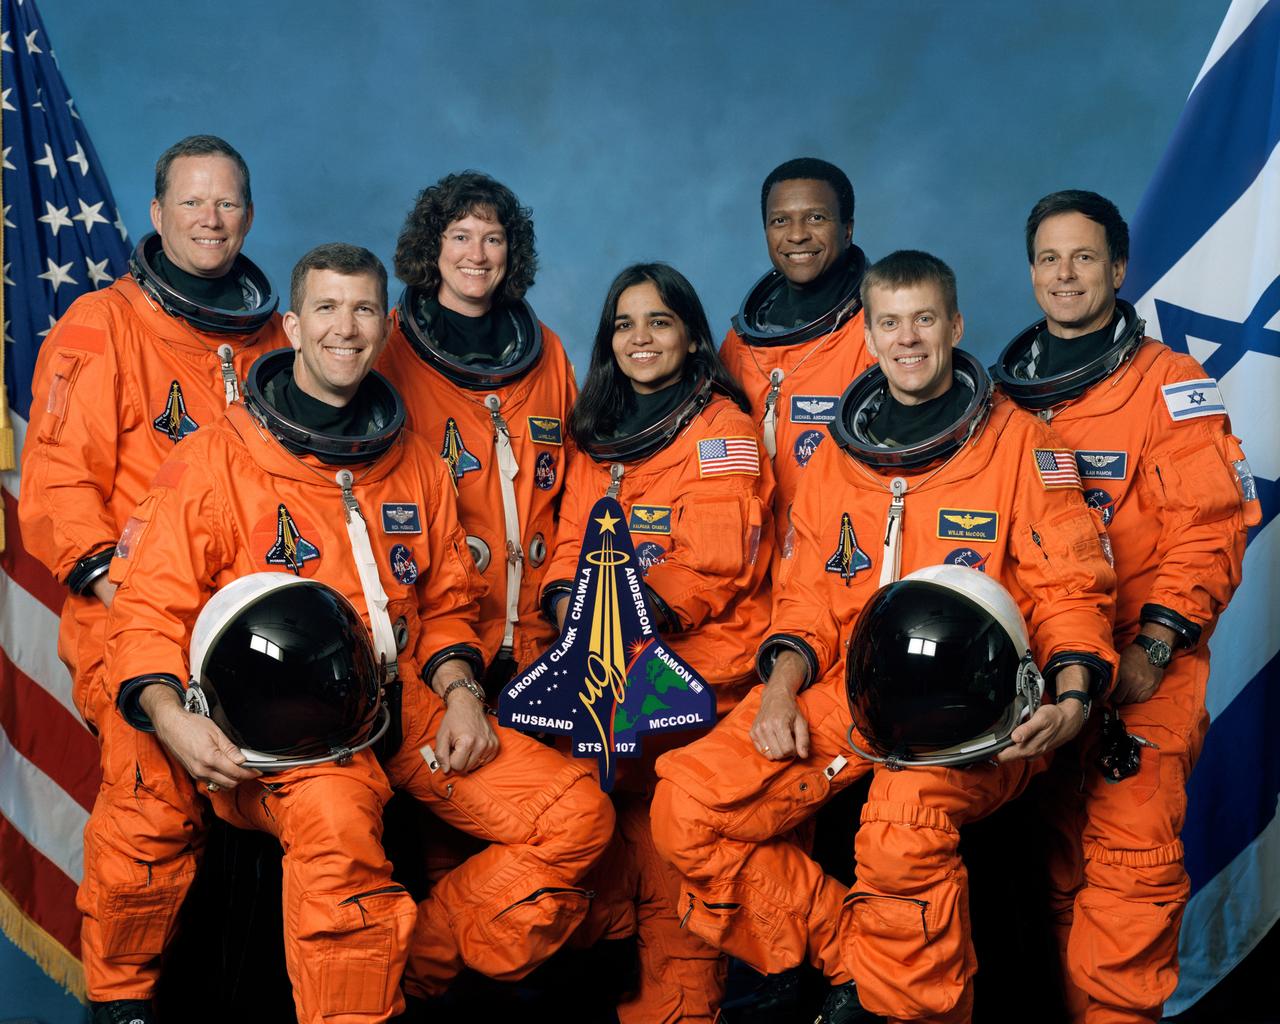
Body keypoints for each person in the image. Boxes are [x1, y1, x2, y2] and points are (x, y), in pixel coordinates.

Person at [98, 244, 614, 1023]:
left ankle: (423, 961)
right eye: (329, 309)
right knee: (340, 841)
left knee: (577, 815)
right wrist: (173, 720)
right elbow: (146, 611)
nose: (347, 327)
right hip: (289, 734)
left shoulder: (413, 464)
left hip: (405, 705)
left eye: (365, 309)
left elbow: (445, 602)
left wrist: (463, 692)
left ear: (385, 324)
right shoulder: (215, 461)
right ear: (293, 327)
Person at [652, 250, 1119, 1024]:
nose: (909, 340)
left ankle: (909, 1014)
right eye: (892, 323)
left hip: (983, 710)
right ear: (868, 336)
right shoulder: (839, 456)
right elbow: (803, 599)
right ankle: (856, 963)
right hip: (852, 692)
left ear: (956, 326)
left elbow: (1070, 592)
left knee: (901, 826)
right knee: (685, 805)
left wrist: (1070, 698)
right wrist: (778, 691)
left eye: (925, 319)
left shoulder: (1022, 447)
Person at [18, 134, 287, 1022]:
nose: (211, 219)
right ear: (156, 214)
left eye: (227, 203)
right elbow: (59, 492)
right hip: (134, 620)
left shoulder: (276, 341)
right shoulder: (104, 324)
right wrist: (142, 616)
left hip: (249, 626)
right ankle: (123, 1005)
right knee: (152, 809)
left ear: (248, 216)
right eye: (193, 202)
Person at [992, 190, 1260, 1024]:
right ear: (1030, 272)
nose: (1064, 275)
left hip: (1142, 671)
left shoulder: (1172, 387)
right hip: (1034, 673)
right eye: (1048, 258)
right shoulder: (1002, 400)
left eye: (1082, 258)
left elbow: (1209, 532)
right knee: (1044, 882)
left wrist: (1155, 644)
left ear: (1117, 268)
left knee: (1128, 876)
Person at [539, 263, 774, 1022]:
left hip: (700, 681)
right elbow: (568, 539)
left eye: (660, 321)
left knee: (674, 866)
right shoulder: (597, 435)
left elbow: (713, 565)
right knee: (595, 851)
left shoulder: (722, 433)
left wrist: (618, 621)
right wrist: (568, 603)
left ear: (693, 337)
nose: (641, 338)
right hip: (608, 678)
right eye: (624, 324)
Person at [378, 171, 576, 689]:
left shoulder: (547, 353)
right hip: (442, 645)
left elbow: (577, 484)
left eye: (493, 238)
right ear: (432, 246)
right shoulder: (388, 353)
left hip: (543, 635)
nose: (478, 255)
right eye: (460, 236)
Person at [718, 157, 874, 544]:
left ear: (848, 229)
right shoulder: (741, 342)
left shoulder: (879, 332)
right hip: (750, 562)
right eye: (780, 221)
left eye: (816, 218)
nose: (797, 235)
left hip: (834, 556)